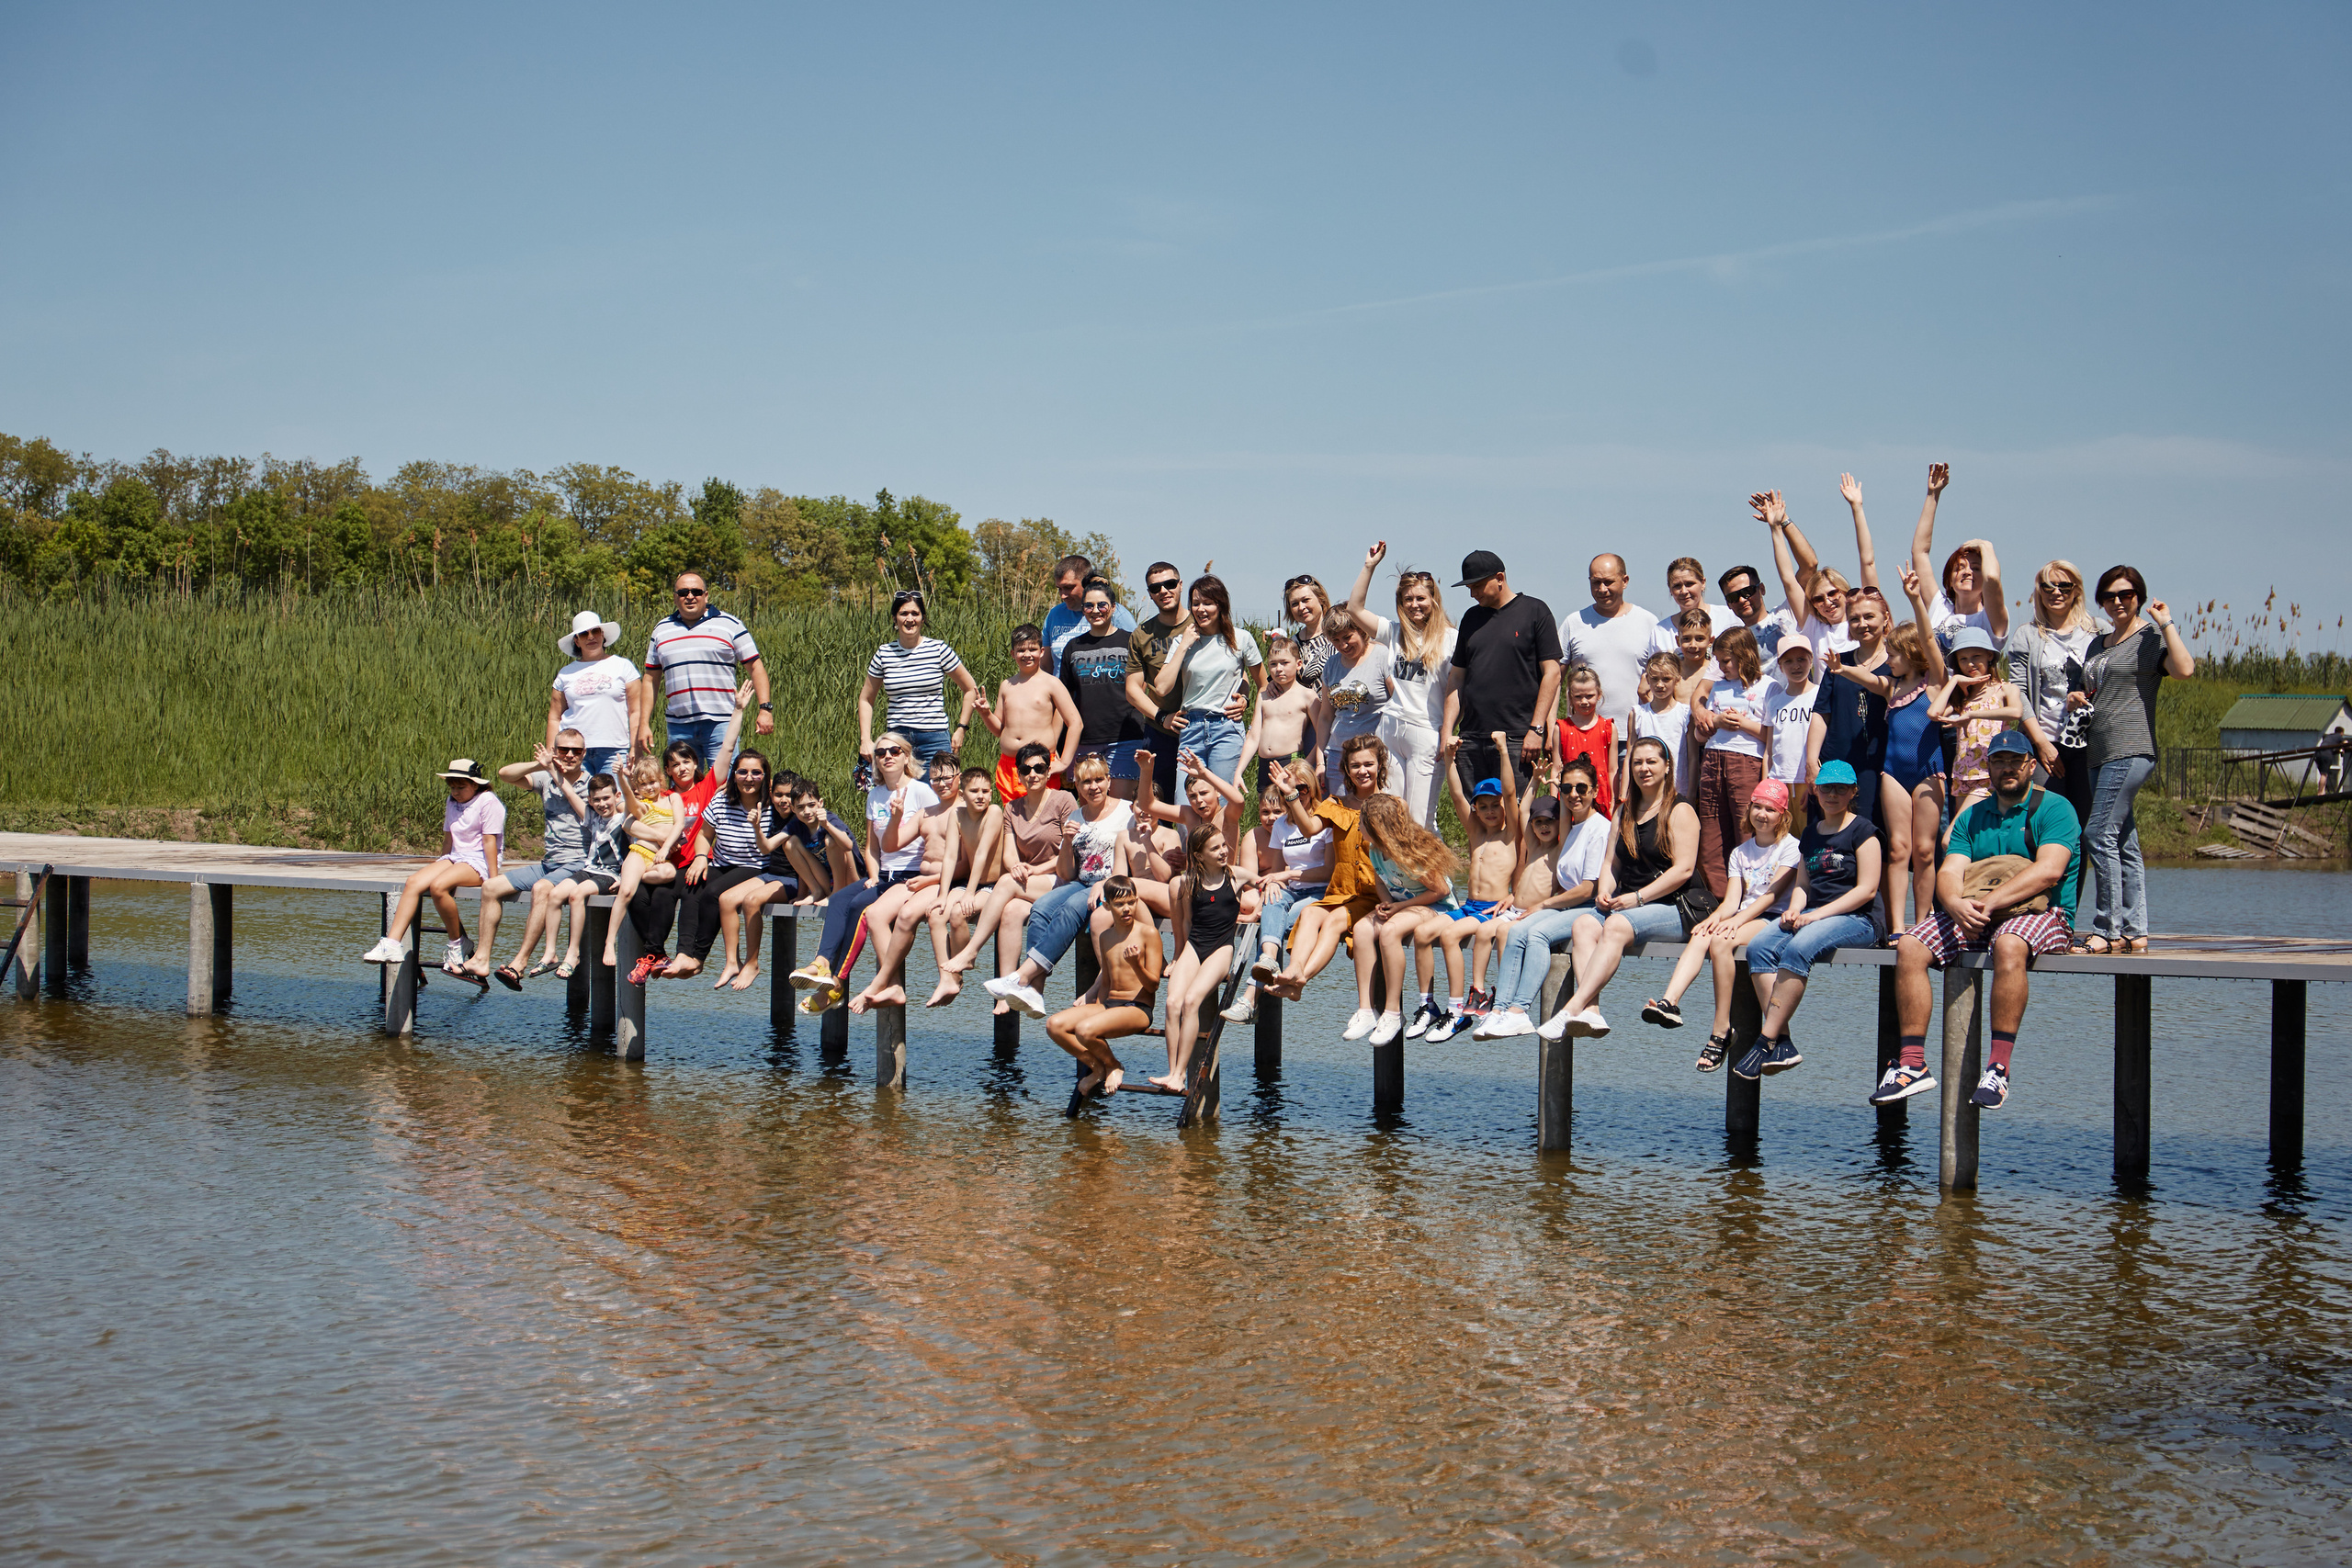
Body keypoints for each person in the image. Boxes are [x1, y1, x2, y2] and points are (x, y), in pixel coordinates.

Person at [1883, 731, 2081, 1110]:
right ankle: (1912, 1066)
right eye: (1999, 761)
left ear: (2031, 766)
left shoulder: (2055, 809)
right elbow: (1950, 870)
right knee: (1910, 944)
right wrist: (1954, 903)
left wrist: (1985, 904)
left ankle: (1998, 1069)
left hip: (2045, 913)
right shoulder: (1971, 816)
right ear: (1987, 767)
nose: (2007, 769)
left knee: (2009, 944)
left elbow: (2049, 871)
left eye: (2015, 761)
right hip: (1975, 913)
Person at [1538, 737, 1701, 1042]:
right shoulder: (1625, 811)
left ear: (1667, 766)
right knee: (1584, 924)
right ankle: (1592, 1012)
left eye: (1652, 762)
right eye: (1637, 762)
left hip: (1674, 907)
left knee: (1615, 926)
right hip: (1629, 905)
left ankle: (1571, 1008)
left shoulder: (1681, 809)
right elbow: (1611, 863)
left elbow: (1684, 870)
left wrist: (1637, 897)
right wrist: (1606, 890)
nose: (1644, 768)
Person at [1732, 762, 1884, 1080]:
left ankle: (1765, 1041)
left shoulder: (1864, 831)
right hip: (1813, 916)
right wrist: (1795, 909)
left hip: (1858, 919)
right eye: (1827, 788)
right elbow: (1803, 884)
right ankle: (1784, 1042)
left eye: (1841, 789)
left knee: (1798, 948)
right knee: (1759, 947)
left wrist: (1815, 916)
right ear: (1815, 791)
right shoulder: (1812, 833)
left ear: (1853, 792)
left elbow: (1867, 889)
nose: (1832, 794)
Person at [1641, 778, 1801, 1071]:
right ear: (1749, 809)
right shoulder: (1740, 853)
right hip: (1745, 916)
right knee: (1702, 935)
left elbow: (1772, 895)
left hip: (1774, 918)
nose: (1762, 814)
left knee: (1721, 941)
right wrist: (1712, 920)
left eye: (1770, 809)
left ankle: (1721, 1029)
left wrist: (1736, 921)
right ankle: (1669, 1001)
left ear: (1783, 815)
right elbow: (1731, 901)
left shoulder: (1791, 848)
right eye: (1757, 807)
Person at [2075, 566, 2194, 953]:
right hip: (2099, 750)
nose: (2117, 602)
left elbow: (2184, 670)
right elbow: (2091, 689)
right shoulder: (2098, 643)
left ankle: (2107, 929)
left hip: (2131, 746)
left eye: (2125, 595)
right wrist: (2079, 697)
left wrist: (2167, 622)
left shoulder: (2149, 638)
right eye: (2109, 596)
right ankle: (2135, 929)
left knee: (2097, 834)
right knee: (2123, 839)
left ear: (2139, 597)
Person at [786, 730, 940, 1010]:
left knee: (860, 908)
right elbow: (871, 847)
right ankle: (822, 964)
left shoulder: (922, 792)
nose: (887, 757)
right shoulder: (876, 795)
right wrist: (872, 876)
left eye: (894, 751)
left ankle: (837, 983)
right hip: (883, 876)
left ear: (906, 756)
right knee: (839, 900)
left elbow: (938, 838)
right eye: (881, 753)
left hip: (912, 877)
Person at [1839, 568, 1950, 931]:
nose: (1889, 659)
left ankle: (1922, 923)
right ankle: (1897, 926)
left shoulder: (1934, 683)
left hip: (1928, 772)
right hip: (1893, 774)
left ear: (1912, 654)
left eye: (1894, 653)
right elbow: (1870, 679)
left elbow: (1932, 641)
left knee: (1924, 851)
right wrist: (1842, 669)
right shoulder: (1893, 687)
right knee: (1898, 851)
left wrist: (1915, 599)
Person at [984, 753, 1136, 1017]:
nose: (1093, 787)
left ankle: (1021, 977)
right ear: (1077, 787)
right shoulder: (1076, 815)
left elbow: (1132, 859)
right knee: (1041, 908)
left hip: (1110, 885)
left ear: (1109, 781)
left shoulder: (1126, 811)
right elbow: (1066, 872)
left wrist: (1107, 883)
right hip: (1080, 881)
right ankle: (1036, 991)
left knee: (1070, 909)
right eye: (1086, 782)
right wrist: (1066, 842)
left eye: (1099, 780)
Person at [1473, 755, 1610, 1038]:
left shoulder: (1599, 829)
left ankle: (1519, 1011)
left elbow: (1588, 889)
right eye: (1568, 789)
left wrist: (1544, 903)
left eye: (1582, 789)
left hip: (1589, 908)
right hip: (1568, 906)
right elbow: (1529, 814)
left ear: (1595, 791)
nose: (1574, 795)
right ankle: (1499, 1011)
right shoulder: (1573, 828)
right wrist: (1538, 782)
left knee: (1536, 934)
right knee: (1515, 931)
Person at [941, 743, 1079, 1008]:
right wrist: (1016, 865)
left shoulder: (1064, 800)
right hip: (1026, 882)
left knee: (1005, 882)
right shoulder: (1011, 808)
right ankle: (1006, 990)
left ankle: (970, 952)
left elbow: (1068, 849)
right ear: (1019, 775)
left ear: (1048, 772)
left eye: (1039, 768)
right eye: (1026, 770)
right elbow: (1009, 852)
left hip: (1061, 878)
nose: (1033, 775)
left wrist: (1033, 869)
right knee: (1011, 912)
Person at [1256, 735, 1387, 1002]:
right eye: (1355, 766)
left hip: (1374, 893)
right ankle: (1293, 971)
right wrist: (1291, 795)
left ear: (1379, 766)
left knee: (1332, 921)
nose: (1362, 771)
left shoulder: (1391, 804)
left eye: (1368, 764)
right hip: (1340, 892)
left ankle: (1300, 978)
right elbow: (1308, 828)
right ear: (1347, 771)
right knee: (1310, 914)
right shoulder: (1335, 805)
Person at [663, 685, 778, 985]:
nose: (748, 778)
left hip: (754, 867)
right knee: (691, 885)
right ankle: (684, 956)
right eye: (742, 772)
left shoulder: (772, 806)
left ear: (764, 775)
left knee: (714, 894)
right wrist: (701, 857)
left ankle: (700, 957)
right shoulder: (722, 798)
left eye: (756, 773)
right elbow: (704, 832)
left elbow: (727, 747)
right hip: (723, 863)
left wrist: (739, 709)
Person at [1345, 543, 1459, 828]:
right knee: (1390, 817)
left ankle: (1436, 874)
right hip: (1391, 729)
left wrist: (1447, 733)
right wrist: (1369, 566)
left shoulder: (1451, 639)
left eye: (1420, 598)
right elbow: (1354, 608)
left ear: (1434, 600)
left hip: (1427, 733)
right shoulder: (1393, 632)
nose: (1414, 605)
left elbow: (1457, 692)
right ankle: (1394, 875)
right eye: (1407, 599)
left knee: (1420, 821)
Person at [466, 736, 594, 987]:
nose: (569, 755)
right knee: (491, 887)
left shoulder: (591, 785)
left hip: (578, 861)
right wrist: (541, 766)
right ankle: (480, 959)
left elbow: (586, 817)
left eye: (575, 750)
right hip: (549, 862)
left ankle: (520, 963)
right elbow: (505, 774)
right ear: (555, 751)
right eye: (563, 750)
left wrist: (558, 775)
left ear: (584, 753)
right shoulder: (546, 778)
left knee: (541, 888)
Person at [363, 760, 505, 977]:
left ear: (475, 785)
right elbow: (449, 836)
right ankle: (392, 943)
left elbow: (489, 843)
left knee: (439, 886)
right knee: (414, 882)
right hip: (455, 857)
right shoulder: (452, 801)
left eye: (461, 787)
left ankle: (458, 943)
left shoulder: (488, 801)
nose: (456, 792)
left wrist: (493, 880)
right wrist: (441, 863)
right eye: (452, 787)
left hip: (479, 861)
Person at [1417, 742, 1521, 1041]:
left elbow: (1512, 794)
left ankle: (1459, 1007)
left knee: (1449, 936)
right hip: (1468, 905)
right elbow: (1457, 795)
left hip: (1490, 911)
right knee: (1424, 933)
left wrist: (1502, 750)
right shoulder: (1475, 832)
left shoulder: (1511, 835)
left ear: (1504, 807)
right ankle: (1427, 1005)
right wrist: (1449, 760)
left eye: (1494, 805)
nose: (1488, 811)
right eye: (1483, 806)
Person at [1222, 757, 1331, 1025]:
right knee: (1274, 898)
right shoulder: (1283, 825)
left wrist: (1288, 875)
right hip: (1292, 890)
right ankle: (1269, 960)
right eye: (1289, 790)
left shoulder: (1326, 817)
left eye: (1302, 789)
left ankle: (1248, 1000)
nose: (1297, 795)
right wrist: (1272, 884)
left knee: (1281, 918)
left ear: (1313, 788)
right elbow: (1276, 873)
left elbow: (1330, 871)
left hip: (1321, 891)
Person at [1442, 549, 1562, 793]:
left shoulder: (1535, 611)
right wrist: (1446, 732)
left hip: (1518, 738)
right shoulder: (1470, 618)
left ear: (1499, 577)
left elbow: (1553, 673)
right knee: (1476, 819)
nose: (1473, 594)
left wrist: (1536, 729)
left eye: (1477, 586)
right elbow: (1457, 678)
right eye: (1469, 588)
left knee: (1516, 818)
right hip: (1471, 739)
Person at [611, 736, 724, 985]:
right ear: (667, 772)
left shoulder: (705, 788)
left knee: (669, 895)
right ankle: (657, 954)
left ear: (696, 763)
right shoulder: (661, 795)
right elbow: (628, 819)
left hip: (690, 863)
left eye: (686, 761)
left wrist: (738, 711)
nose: (681, 768)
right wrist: (659, 836)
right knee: (638, 898)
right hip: (660, 862)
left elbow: (726, 750)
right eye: (674, 765)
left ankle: (671, 955)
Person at [1354, 794, 1464, 1045]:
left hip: (1437, 906)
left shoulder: (1410, 853)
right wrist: (1386, 902)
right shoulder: (1374, 850)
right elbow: (1381, 880)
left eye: (1362, 821)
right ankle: (1366, 1010)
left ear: (1377, 827)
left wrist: (1400, 906)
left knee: (1390, 931)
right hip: (1402, 906)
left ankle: (1393, 1012)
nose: (1359, 826)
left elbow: (1441, 891)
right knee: (1361, 929)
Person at [1045, 874, 1162, 1101]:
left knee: (1085, 1030)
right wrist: (1097, 1010)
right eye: (1119, 904)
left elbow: (1153, 986)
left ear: (1137, 901)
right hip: (1109, 1005)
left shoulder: (1148, 933)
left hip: (1137, 1008)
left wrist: (1136, 964)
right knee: (1054, 1025)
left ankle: (1114, 1065)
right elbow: (1106, 981)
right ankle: (1098, 1067)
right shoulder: (1106, 936)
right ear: (1107, 905)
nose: (1126, 909)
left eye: (1131, 902)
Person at [638, 571, 770, 769]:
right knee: (684, 790)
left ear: (706, 595)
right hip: (678, 725)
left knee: (725, 788)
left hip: (721, 723)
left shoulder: (730, 625)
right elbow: (650, 679)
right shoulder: (661, 630)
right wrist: (644, 723)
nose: (690, 596)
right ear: (675, 597)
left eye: (696, 592)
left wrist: (765, 708)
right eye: (683, 592)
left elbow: (756, 667)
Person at [2006, 559, 2099, 829]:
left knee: (2084, 828)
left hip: (2088, 746)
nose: (2056, 592)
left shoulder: (2098, 630)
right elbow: (2018, 692)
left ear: (2076, 591)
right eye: (2048, 586)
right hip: (2046, 741)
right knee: (2045, 825)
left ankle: (2077, 875)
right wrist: (2042, 744)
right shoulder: (2027, 635)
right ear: (2039, 592)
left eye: (2064, 586)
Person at [1154, 823, 1248, 1091]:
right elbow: (1186, 923)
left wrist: (1265, 896)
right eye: (1214, 848)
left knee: (1191, 1001)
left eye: (1223, 846)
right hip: (1195, 946)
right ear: (1198, 855)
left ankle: (1180, 1074)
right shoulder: (1189, 881)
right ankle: (1173, 1072)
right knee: (1172, 1002)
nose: (1222, 852)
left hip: (1221, 948)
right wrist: (1180, 956)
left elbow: (1264, 882)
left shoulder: (1235, 875)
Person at [1148, 574, 1261, 785]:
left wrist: (1245, 700)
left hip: (1226, 727)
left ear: (1220, 605)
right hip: (1192, 729)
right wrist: (1183, 645)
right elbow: (1162, 687)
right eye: (1196, 604)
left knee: (1222, 803)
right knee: (1187, 802)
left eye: (1208, 603)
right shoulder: (1183, 641)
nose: (1201, 609)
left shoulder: (1241, 638)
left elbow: (1264, 685)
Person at [1757, 478, 1881, 664]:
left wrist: (1857, 508)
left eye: (1833, 593)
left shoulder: (1864, 622)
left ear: (1845, 592)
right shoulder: (1814, 628)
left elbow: (1868, 562)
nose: (1827, 602)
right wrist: (1775, 528)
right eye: (1818, 599)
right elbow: (1789, 580)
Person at [859, 589, 983, 770]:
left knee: (939, 794)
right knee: (900, 796)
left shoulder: (938, 649)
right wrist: (866, 739)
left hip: (934, 739)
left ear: (923, 618)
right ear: (895, 618)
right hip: (897, 742)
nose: (910, 619)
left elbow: (971, 689)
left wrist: (961, 728)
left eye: (915, 613)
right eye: (903, 613)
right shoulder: (884, 653)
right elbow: (866, 699)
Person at [1691, 626, 1770, 897]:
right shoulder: (1719, 687)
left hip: (1746, 760)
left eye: (1726, 660)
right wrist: (1712, 721)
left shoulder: (1767, 686)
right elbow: (1701, 735)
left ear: (1744, 655)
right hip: (1713, 758)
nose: (1721, 666)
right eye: (1719, 660)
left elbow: (1769, 733)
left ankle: (1750, 895)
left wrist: (1742, 723)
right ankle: (1718, 896)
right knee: (1712, 826)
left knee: (1745, 825)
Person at [919, 767, 1006, 1007]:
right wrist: (943, 894)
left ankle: (962, 965)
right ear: (963, 793)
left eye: (986, 791)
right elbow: (949, 857)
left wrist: (969, 893)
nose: (981, 796)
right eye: (974, 791)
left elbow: (981, 853)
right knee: (936, 914)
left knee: (959, 914)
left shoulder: (995, 812)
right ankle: (947, 978)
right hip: (970, 883)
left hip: (993, 885)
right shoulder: (956, 815)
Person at [1060, 577, 1154, 797]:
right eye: (1089, 606)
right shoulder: (1073, 647)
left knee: (1120, 810)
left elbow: (1151, 687)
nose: (1096, 611)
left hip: (1127, 738)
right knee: (1090, 812)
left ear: (1113, 607)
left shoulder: (1132, 642)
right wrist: (1063, 749)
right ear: (1083, 609)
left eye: (1102, 605)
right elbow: (1064, 700)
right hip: (1086, 740)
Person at [599, 754, 685, 982]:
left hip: (659, 859)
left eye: (652, 782)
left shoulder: (672, 799)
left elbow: (678, 824)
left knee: (668, 873)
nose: (649, 788)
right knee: (626, 893)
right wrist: (620, 777)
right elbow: (628, 798)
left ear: (661, 780)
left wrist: (665, 848)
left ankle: (634, 878)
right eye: (643, 784)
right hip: (639, 854)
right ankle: (609, 943)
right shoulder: (641, 806)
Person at [541, 773, 632, 979]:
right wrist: (550, 768)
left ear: (617, 796)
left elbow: (630, 798)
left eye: (606, 798)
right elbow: (569, 792)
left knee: (576, 894)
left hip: (611, 873)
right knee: (555, 895)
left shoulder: (624, 818)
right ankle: (550, 952)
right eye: (596, 800)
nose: (602, 804)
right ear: (590, 801)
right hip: (589, 869)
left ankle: (573, 954)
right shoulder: (593, 817)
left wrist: (623, 775)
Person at [1558, 553, 1658, 736]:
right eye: (1596, 582)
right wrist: (1551, 726)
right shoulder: (1574, 623)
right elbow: (1555, 681)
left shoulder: (1648, 622)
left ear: (1625, 581)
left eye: (1608, 582)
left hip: (1636, 734)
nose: (1602, 589)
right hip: (1582, 734)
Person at [1928, 627, 2024, 819]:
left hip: (1989, 774)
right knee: (1972, 839)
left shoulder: (2004, 689)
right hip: (1963, 773)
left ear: (1990, 655)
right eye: (1963, 659)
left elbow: (2016, 712)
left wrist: (1973, 715)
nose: (1970, 664)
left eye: (1976, 656)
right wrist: (1954, 680)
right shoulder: (1963, 698)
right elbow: (1933, 713)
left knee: (1954, 836)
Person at [1909, 464, 2007, 649]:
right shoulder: (1940, 609)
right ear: (1950, 578)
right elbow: (1919, 553)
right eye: (1959, 567)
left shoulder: (1990, 617)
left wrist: (1985, 546)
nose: (1968, 572)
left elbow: (1993, 579)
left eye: (1976, 568)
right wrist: (1933, 495)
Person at [979, 623, 1080, 800]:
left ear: (1042, 651)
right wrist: (985, 713)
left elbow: (1075, 723)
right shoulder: (1007, 685)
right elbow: (999, 730)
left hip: (1039, 766)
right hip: (1009, 767)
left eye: (1032, 649)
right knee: (1012, 818)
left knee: (1042, 818)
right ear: (1012, 654)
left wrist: (1064, 762)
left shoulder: (1052, 683)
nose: (1027, 655)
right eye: (1021, 650)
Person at [1124, 561, 1193, 804]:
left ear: (1180, 585)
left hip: (1201, 729)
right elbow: (1133, 690)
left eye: (1170, 584)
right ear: (1150, 594)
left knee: (1202, 804)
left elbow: (1238, 670)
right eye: (1155, 588)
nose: (1164, 591)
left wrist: (1244, 697)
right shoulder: (1142, 634)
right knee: (1159, 805)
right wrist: (1162, 716)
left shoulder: (1203, 623)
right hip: (1160, 732)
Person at [550, 610, 641, 780]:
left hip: (614, 750)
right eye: (584, 634)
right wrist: (553, 752)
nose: (590, 637)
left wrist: (635, 746)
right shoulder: (565, 674)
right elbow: (555, 716)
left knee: (615, 802)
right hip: (574, 752)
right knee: (577, 802)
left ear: (603, 635)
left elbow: (636, 711)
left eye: (595, 631)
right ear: (576, 640)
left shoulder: (623, 666)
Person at [1311, 608, 1393, 793]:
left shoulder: (1382, 656)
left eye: (1348, 637)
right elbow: (1325, 716)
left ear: (1362, 630)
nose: (1343, 645)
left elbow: (1398, 702)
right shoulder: (1331, 665)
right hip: (1337, 755)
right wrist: (1320, 762)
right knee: (1339, 814)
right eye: (1336, 640)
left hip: (1373, 756)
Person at [1242, 636, 1317, 790]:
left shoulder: (1307, 696)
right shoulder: (1264, 695)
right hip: (1264, 766)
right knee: (1266, 810)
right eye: (1273, 664)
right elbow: (1254, 737)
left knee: (1289, 809)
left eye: (1285, 663)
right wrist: (1238, 772)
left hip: (1291, 763)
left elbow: (1322, 735)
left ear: (1298, 664)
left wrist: (1306, 764)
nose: (1279, 668)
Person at [1041, 554, 1134, 675]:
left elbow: (1137, 663)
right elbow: (1046, 666)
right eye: (1059, 589)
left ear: (1087, 583)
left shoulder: (1114, 613)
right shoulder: (1054, 615)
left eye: (1069, 588)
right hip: (1061, 691)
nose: (1063, 595)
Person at [1760, 639, 1819, 820]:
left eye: (1801, 659)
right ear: (1780, 665)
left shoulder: (1820, 696)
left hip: (1808, 782)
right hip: (1779, 782)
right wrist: (1766, 786)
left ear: (1811, 659)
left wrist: (1817, 781)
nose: (1796, 666)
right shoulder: (1774, 702)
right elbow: (1769, 750)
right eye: (1789, 661)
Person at [1644, 557, 1742, 664]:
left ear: (1703, 583)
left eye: (1689, 584)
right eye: (1677, 586)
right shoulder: (1661, 631)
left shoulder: (1729, 617)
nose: (1684, 591)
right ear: (1670, 589)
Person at [1553, 664, 1616, 817]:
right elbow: (1556, 769)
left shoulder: (1608, 728)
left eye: (1589, 696)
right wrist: (1554, 800)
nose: (1584, 701)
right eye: (1578, 697)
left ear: (1599, 694)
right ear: (1570, 696)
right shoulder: (1561, 728)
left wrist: (1613, 800)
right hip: (1570, 797)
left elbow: (1612, 769)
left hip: (1600, 797)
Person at [1632, 650, 1695, 803]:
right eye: (1655, 679)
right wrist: (1626, 791)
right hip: (1644, 792)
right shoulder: (1638, 713)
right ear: (1647, 679)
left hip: (1678, 790)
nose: (1660, 685)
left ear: (1677, 680)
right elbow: (1630, 755)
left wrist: (1691, 794)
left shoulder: (1686, 713)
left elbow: (1693, 757)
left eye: (1666, 679)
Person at [1716, 562, 1786, 659]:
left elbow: (1807, 570)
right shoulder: (1734, 643)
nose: (1742, 600)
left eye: (1747, 591)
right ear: (1728, 604)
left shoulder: (1785, 616)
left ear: (1762, 589)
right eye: (1733, 597)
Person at [1281, 573, 1338, 686]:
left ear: (1321, 599)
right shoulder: (1293, 644)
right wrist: (1274, 684)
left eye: (1306, 600)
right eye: (1295, 604)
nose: (1301, 607)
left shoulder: (1341, 633)